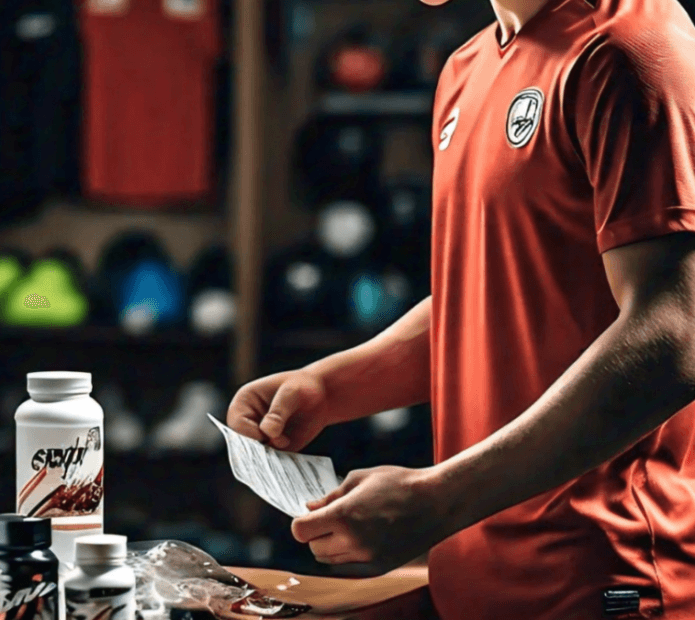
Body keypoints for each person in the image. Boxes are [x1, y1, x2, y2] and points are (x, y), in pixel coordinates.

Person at [226, 0, 695, 616]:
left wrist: (436, 498)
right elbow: (495, 294)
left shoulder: (630, 46)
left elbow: (675, 334)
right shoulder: (466, 66)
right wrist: (330, 386)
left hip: (602, 580)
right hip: (474, 580)